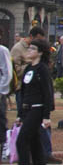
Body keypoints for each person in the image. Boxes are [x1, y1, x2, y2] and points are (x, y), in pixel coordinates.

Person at [12, 27, 60, 164]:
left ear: (39, 53)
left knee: (22, 140)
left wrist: (46, 116)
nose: (29, 51)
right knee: (35, 143)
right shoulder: (28, 68)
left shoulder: (42, 69)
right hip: (27, 109)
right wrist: (20, 114)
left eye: (32, 49)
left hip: (37, 109)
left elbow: (47, 93)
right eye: (29, 48)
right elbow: (24, 92)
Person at [0, 30, 13, 161]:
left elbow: (7, 73)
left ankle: (4, 147)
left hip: (0, 94)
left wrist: (1, 91)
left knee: (0, 121)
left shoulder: (2, 51)